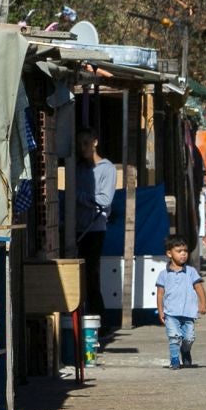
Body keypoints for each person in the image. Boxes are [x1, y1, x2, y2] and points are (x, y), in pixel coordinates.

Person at [75, 129, 116, 320]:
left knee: (91, 275)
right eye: (80, 144)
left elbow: (105, 199)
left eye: (86, 143)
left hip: (94, 228)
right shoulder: (79, 169)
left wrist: (79, 197)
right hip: (77, 228)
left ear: (95, 142)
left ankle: (100, 319)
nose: (82, 148)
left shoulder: (107, 169)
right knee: (78, 277)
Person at [155, 236, 206, 369]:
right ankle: (174, 360)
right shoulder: (163, 274)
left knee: (189, 338)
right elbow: (160, 294)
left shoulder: (191, 272)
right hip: (171, 313)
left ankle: (185, 351)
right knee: (174, 336)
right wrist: (161, 311)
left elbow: (199, 288)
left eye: (185, 251)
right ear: (169, 254)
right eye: (179, 251)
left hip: (188, 312)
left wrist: (203, 304)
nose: (183, 254)